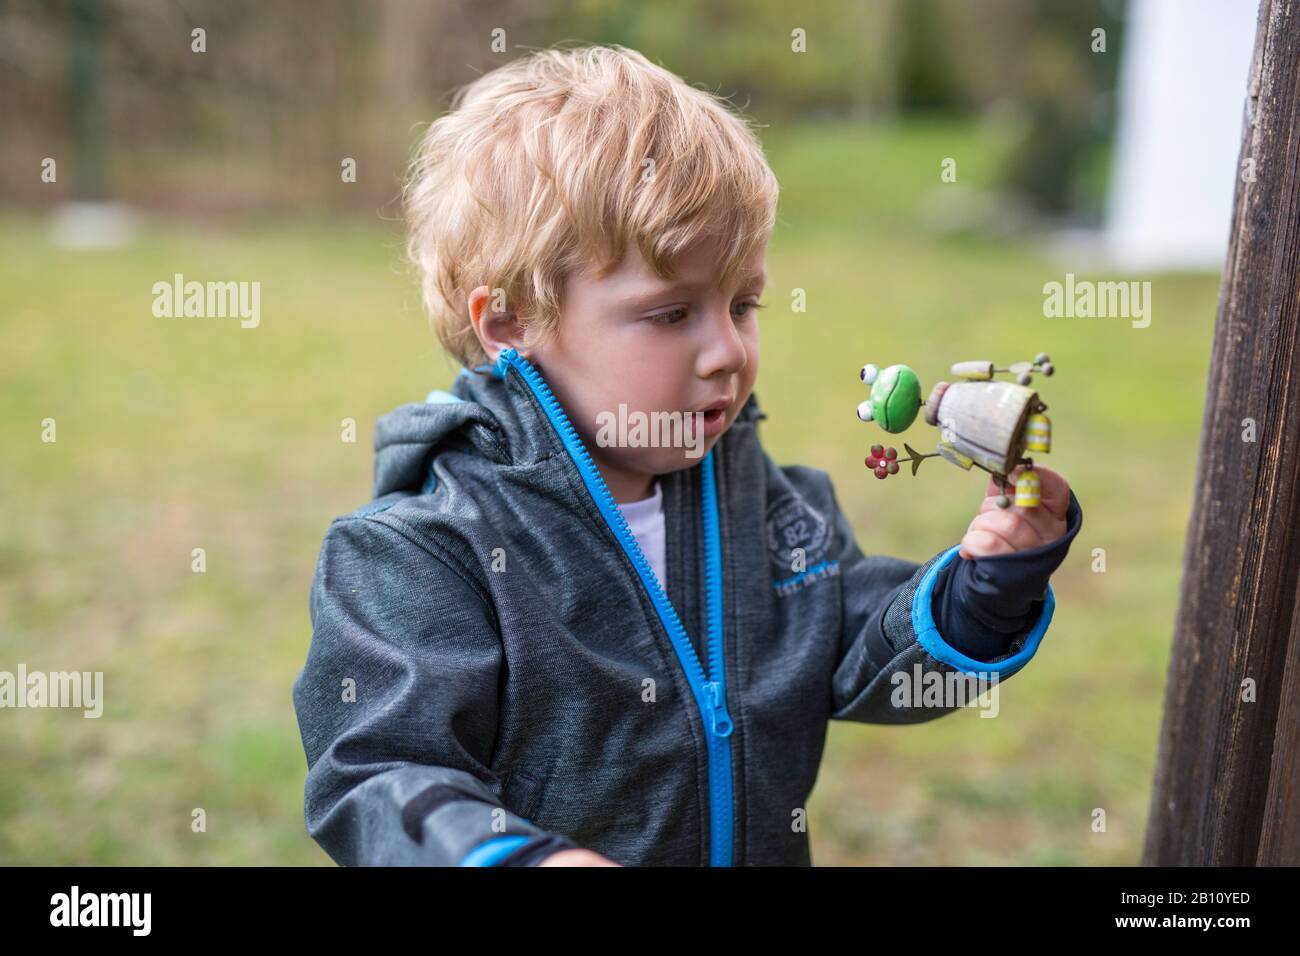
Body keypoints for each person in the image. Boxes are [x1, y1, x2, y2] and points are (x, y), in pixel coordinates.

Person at [291, 43, 1082, 867]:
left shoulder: (767, 504)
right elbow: (380, 772)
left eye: (743, 304)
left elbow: (858, 658)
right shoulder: (421, 549)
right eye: (671, 314)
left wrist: (984, 588)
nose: (725, 352)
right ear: (510, 324)